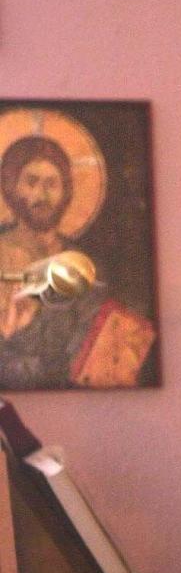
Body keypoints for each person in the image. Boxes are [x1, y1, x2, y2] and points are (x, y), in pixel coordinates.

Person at [0, 134, 155, 389]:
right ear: (11, 186)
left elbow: (94, 352)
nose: (42, 194)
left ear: (66, 191)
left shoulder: (82, 267)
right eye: (31, 182)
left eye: (52, 184)